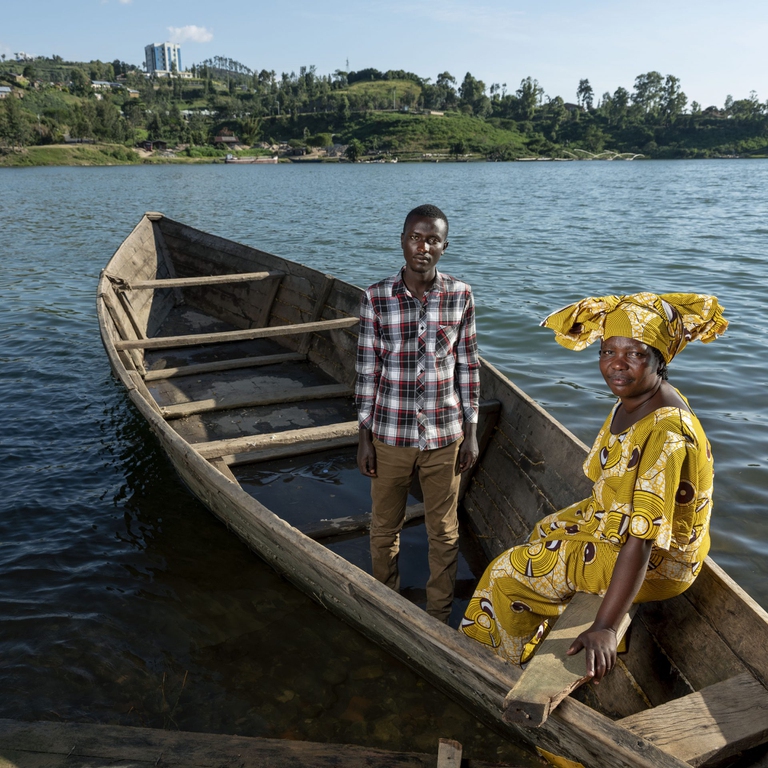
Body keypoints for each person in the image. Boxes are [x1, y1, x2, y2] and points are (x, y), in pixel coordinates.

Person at [460, 292, 728, 681]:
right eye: (607, 351)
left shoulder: (667, 431)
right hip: (620, 527)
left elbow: (644, 537)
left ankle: (491, 668)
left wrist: (605, 625)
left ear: (660, 359)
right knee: (546, 528)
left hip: (659, 562)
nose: (616, 365)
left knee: (504, 573)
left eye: (635, 354)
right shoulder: (634, 399)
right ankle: (536, 627)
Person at [355, 204, 480, 623]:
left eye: (432, 240)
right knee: (384, 527)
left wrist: (472, 431)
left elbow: (468, 365)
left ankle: (438, 613)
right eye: (415, 237)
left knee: (444, 533)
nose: (422, 247)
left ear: (445, 247)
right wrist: (365, 439)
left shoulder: (461, 295)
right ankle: (385, 601)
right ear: (403, 240)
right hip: (390, 434)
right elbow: (368, 371)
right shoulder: (376, 297)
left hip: (445, 435)